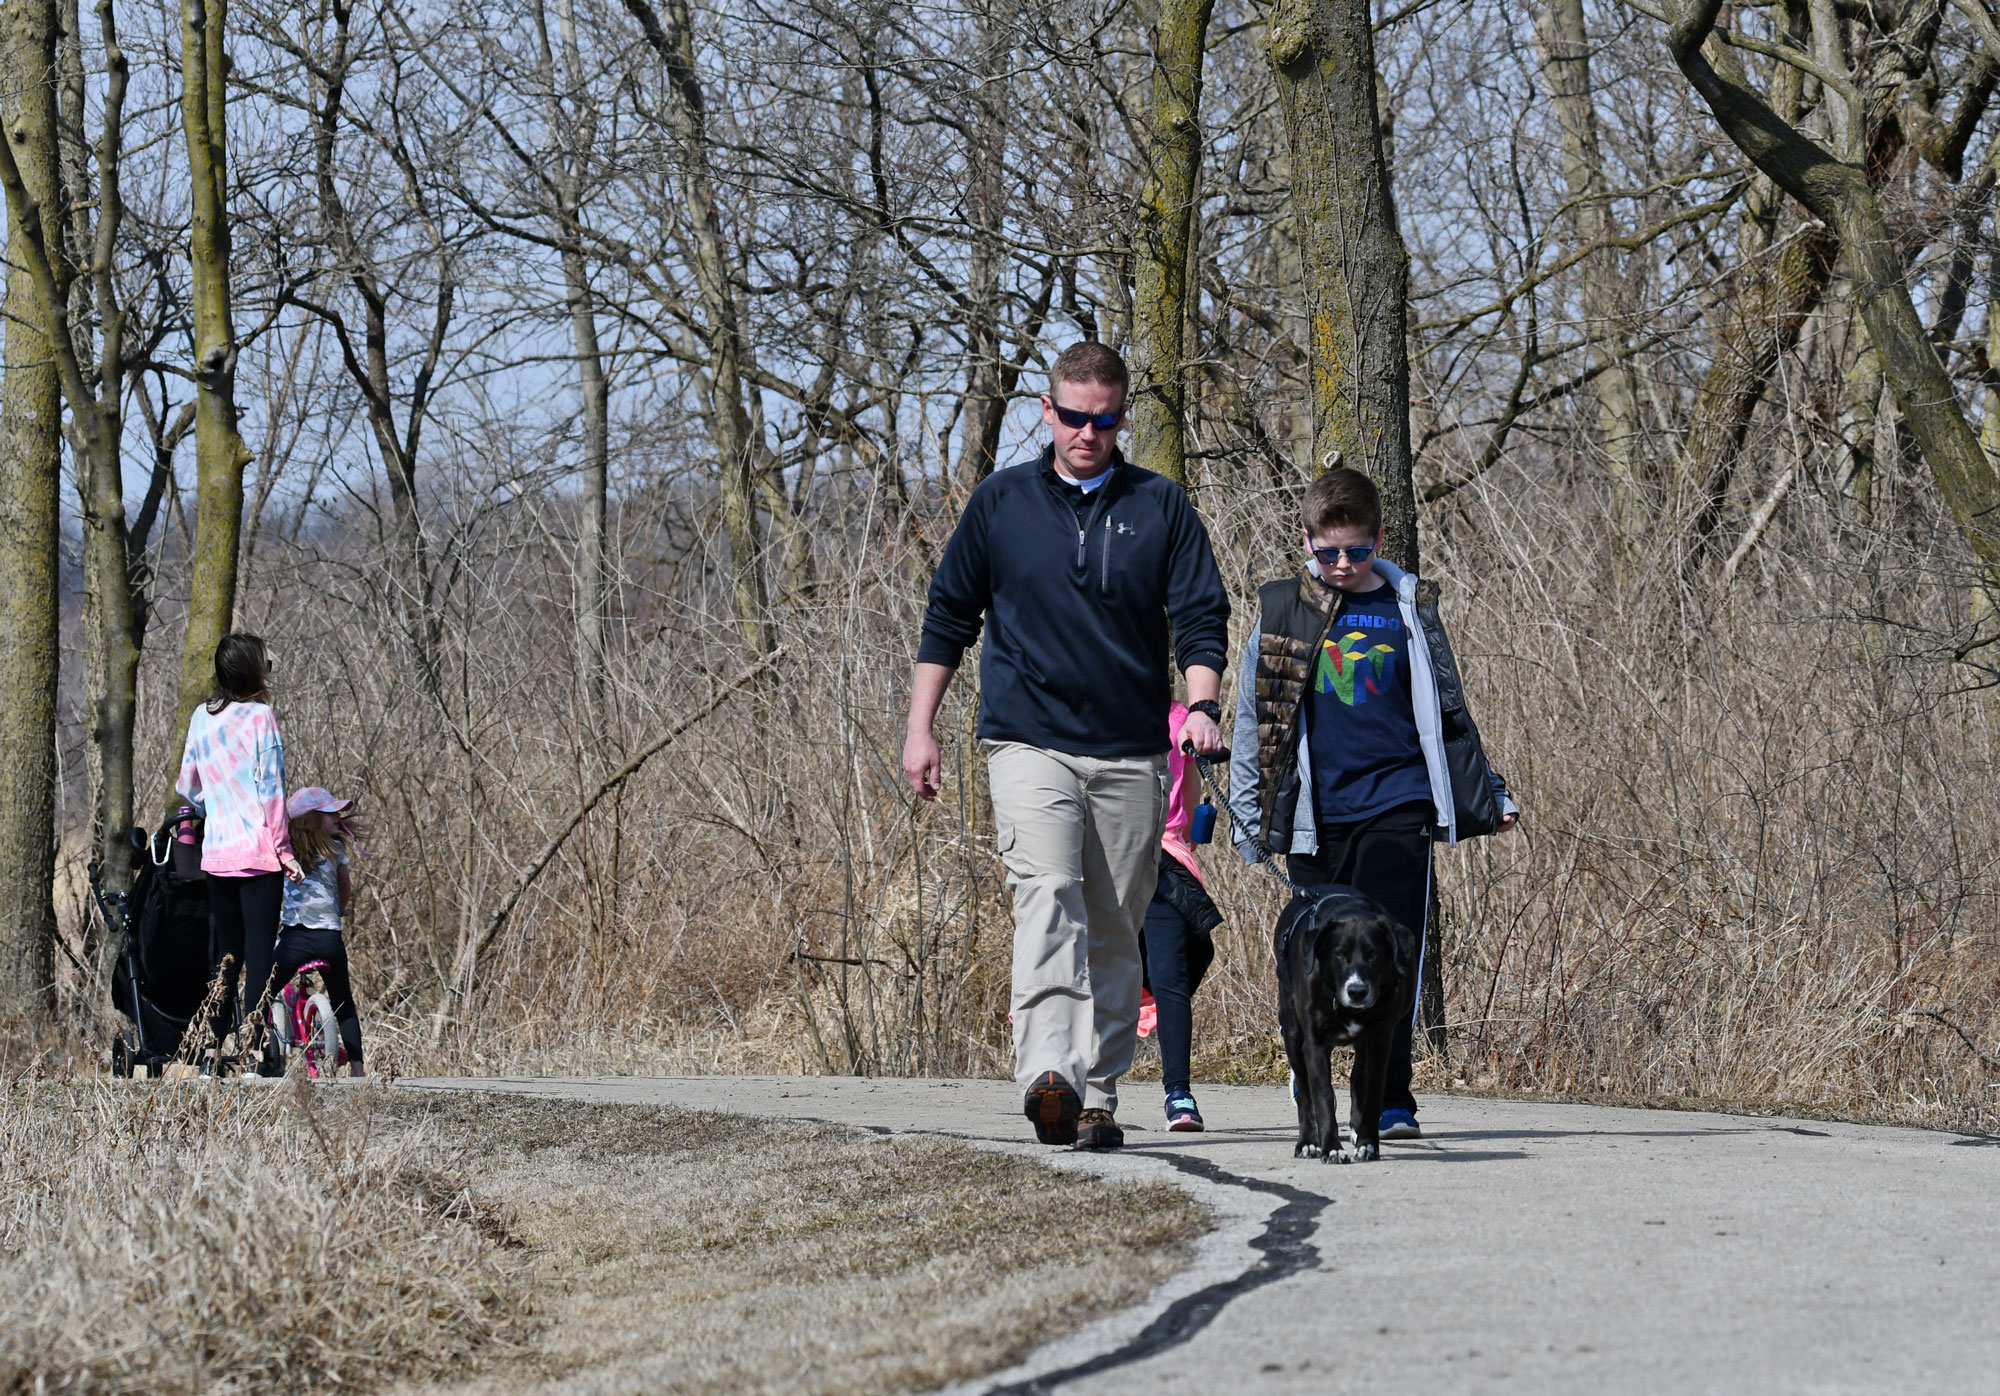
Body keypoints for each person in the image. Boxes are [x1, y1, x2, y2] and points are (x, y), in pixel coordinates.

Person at [903, 341, 1231, 1151]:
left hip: (1131, 750)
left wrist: (1200, 705)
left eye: (1105, 420)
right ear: (1046, 412)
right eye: (1074, 417)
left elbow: (1200, 615)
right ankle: (1049, 1073)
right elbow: (949, 616)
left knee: (1118, 922)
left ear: (1122, 419)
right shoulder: (1001, 503)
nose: (1089, 432)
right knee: (1047, 896)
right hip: (1027, 741)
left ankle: (1097, 1095)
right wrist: (920, 728)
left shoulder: (1161, 507)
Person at [1227, 468, 1517, 1141]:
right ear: (1306, 542)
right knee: (1318, 953)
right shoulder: (1283, 610)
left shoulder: (1409, 609)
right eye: (1328, 553)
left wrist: (1487, 790)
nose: (1343, 565)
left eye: (1357, 551)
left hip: (1398, 802)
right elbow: (1255, 718)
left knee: (1388, 953)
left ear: (1379, 539)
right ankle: (1316, 1065)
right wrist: (1249, 816)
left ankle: (1389, 1097)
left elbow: (1450, 711)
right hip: (1313, 814)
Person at [176, 633, 303, 1073]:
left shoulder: (200, 717)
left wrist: (218, 805)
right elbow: (272, 791)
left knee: (227, 954)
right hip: (258, 854)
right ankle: (251, 1052)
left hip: (217, 855)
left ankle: (210, 1052)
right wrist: (285, 852)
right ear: (254, 670)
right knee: (259, 952)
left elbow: (188, 788)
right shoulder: (260, 718)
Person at [1141, 700, 1224, 1131]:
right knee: (1172, 977)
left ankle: (1082, 1080)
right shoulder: (1184, 721)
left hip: (1109, 860)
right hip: (1166, 862)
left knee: (1103, 967)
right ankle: (1179, 1095)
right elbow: (1191, 819)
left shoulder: (1097, 705)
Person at [272, 788, 367, 1077]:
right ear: (312, 819)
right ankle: (358, 1069)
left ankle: (257, 1054)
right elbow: (345, 890)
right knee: (343, 1002)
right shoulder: (336, 849)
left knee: (262, 992)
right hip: (329, 939)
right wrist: (337, 910)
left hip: (294, 939)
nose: (339, 817)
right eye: (331, 813)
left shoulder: (284, 852)